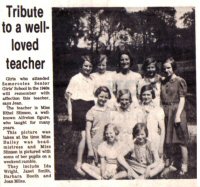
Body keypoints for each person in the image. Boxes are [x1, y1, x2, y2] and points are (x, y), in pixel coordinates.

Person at [65, 55, 95, 175]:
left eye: (90, 66)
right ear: (81, 66)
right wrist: (70, 114)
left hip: (90, 105)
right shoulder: (75, 78)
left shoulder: (93, 78)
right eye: (85, 66)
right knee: (84, 135)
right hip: (79, 106)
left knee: (91, 134)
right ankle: (78, 164)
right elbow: (68, 96)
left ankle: (90, 162)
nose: (88, 68)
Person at [161, 57, 189, 175]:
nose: (166, 70)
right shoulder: (164, 81)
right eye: (164, 68)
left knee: (181, 140)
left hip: (177, 111)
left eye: (169, 68)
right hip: (166, 111)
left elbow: (182, 99)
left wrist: (177, 115)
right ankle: (171, 163)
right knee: (169, 139)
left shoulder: (179, 80)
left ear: (173, 68)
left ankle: (185, 165)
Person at [86, 86, 112, 165]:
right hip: (96, 141)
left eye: (106, 97)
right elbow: (87, 130)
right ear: (97, 96)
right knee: (95, 164)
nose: (103, 99)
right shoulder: (92, 111)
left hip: (107, 141)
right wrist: (90, 149)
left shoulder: (109, 110)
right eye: (101, 96)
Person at [139, 84, 165, 157]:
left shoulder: (158, 109)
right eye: (144, 95)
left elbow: (162, 129)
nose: (146, 97)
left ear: (152, 95)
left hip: (154, 139)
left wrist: (161, 146)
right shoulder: (137, 108)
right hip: (140, 139)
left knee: (155, 162)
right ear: (141, 96)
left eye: (148, 94)